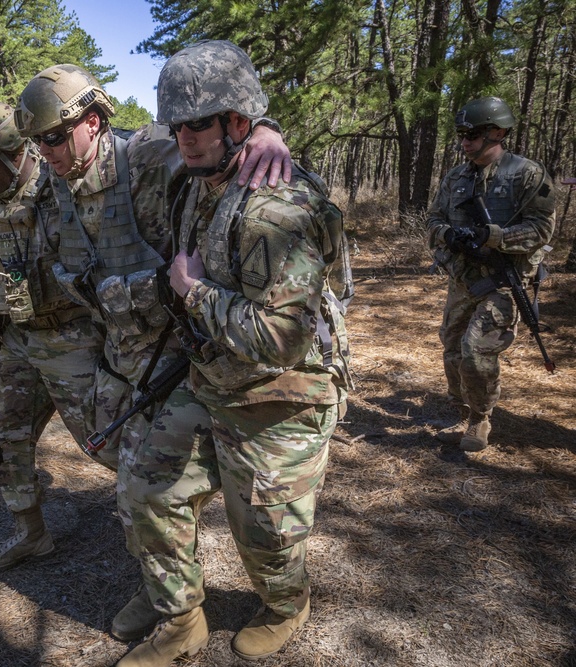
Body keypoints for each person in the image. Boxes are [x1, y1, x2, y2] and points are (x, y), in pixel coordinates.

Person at [12, 63, 293, 658]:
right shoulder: (53, 177)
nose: (47, 152)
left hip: (186, 359)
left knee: (226, 506)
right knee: (137, 493)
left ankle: (275, 598)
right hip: (125, 364)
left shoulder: (146, 155)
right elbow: (16, 187)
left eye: (56, 138)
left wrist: (266, 130)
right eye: (39, 142)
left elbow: (216, 136)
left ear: (92, 123)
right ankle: (169, 597)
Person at [110, 41, 353, 666]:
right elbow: (104, 145)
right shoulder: (195, 181)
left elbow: (281, 341)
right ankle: (181, 616)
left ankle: (285, 603)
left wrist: (194, 292)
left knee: (266, 537)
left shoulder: (278, 210)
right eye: (178, 125)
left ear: (237, 124)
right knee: (147, 490)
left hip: (281, 394)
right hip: (212, 376)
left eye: (199, 124)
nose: (184, 138)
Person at [0, 100, 110, 573]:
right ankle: (30, 534)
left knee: (109, 443)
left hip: (70, 337)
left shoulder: (62, 184)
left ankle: (160, 531)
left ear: (9, 152)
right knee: (7, 435)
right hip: (20, 338)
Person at [427, 96, 555, 451]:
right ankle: (462, 405)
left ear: (497, 133)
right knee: (452, 348)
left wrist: (495, 237)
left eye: (472, 134)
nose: (465, 142)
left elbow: (542, 229)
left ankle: (479, 419)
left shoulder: (527, 174)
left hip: (503, 280)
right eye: (461, 135)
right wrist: (448, 235)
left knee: (477, 350)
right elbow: (433, 219)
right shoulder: (456, 177)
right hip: (462, 278)